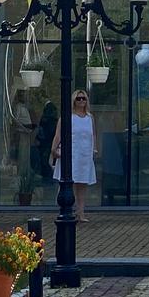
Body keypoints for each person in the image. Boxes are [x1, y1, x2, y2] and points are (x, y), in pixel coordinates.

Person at [52, 89, 99, 219]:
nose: (81, 101)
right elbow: (58, 135)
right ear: (74, 101)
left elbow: (93, 134)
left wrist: (94, 148)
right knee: (68, 183)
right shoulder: (67, 117)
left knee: (82, 184)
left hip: (85, 155)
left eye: (84, 98)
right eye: (78, 98)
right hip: (71, 154)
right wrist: (53, 149)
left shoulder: (90, 117)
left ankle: (81, 212)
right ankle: (66, 210)